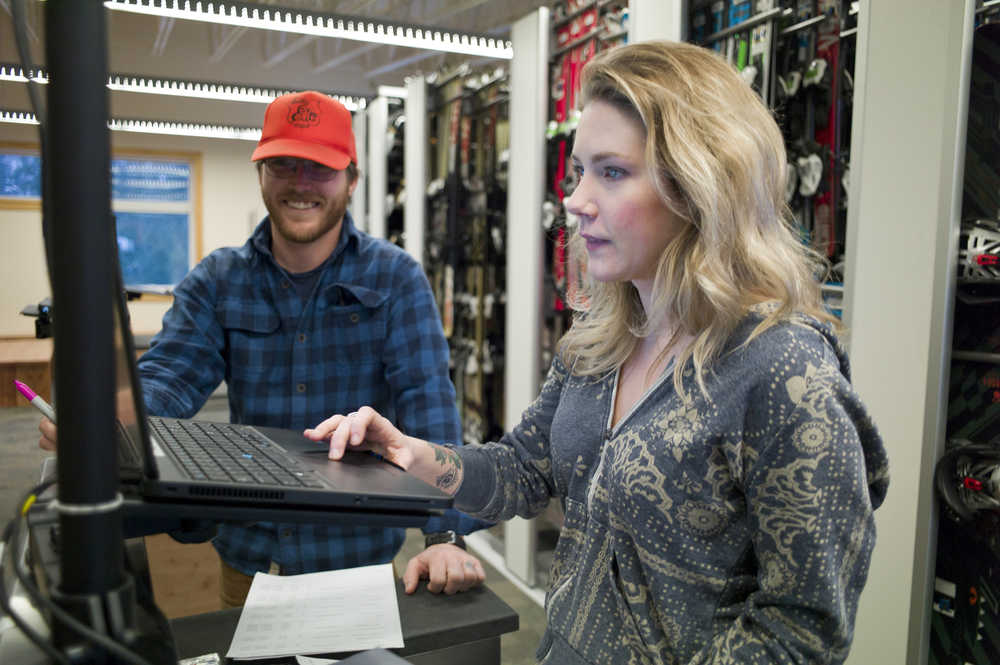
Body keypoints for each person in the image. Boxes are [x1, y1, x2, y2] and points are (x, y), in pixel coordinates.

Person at [305, 42, 891, 664]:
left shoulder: (782, 370)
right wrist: (411, 454)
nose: (577, 200)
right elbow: (522, 472)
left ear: (700, 183)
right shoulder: (599, 342)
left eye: (611, 172)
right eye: (580, 171)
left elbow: (802, 628)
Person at [39, 90, 487, 605]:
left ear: (352, 179)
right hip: (249, 561)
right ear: (261, 174)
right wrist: (109, 419)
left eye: (319, 168)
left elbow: (428, 405)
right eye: (283, 164)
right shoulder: (217, 280)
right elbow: (170, 375)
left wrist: (445, 535)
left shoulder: (395, 279)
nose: (300, 183)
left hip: (354, 564)